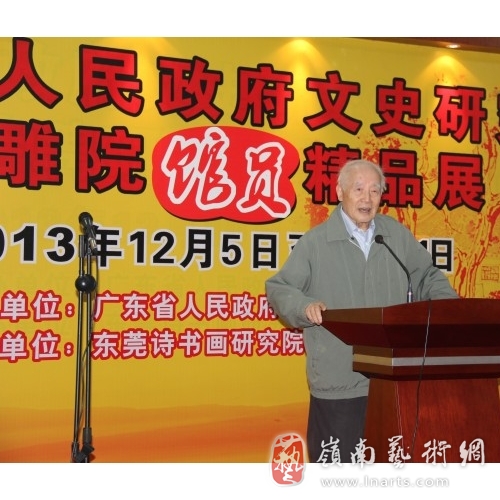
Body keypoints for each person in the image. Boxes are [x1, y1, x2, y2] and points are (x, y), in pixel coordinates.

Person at [265, 158, 458, 464]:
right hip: (340, 384)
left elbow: (426, 276)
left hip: (392, 382)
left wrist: (450, 311)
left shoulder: (395, 236)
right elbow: (280, 288)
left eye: (374, 190)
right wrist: (304, 306)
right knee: (337, 476)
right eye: (358, 189)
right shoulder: (316, 243)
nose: (367, 198)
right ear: (340, 192)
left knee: (387, 473)